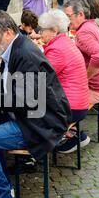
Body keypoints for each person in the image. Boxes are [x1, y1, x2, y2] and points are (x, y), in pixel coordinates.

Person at [0, 10, 71, 198]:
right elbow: (7, 84)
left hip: (40, 124)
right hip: (32, 117)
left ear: (7, 33)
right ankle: (2, 186)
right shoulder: (15, 49)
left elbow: (25, 99)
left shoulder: (25, 54)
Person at [38, 9, 90, 153]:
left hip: (71, 107)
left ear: (54, 30)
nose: (40, 33)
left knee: (27, 112)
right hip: (78, 102)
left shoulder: (57, 50)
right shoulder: (65, 42)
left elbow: (40, 78)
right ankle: (75, 135)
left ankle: (32, 152)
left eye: (42, 30)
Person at [64, 0, 99, 105]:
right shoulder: (91, 24)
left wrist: (84, 78)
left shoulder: (83, 33)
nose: (66, 21)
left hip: (92, 90)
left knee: (47, 93)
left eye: (68, 16)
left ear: (80, 14)